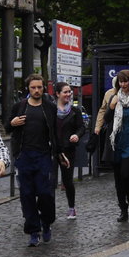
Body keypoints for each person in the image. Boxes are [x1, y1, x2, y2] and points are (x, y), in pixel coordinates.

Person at [6, 74, 59, 246]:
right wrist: (12, 123)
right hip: (24, 156)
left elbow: (55, 132)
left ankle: (46, 221)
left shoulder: (50, 107)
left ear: (44, 88)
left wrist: (59, 153)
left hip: (44, 155)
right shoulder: (19, 107)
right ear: (28, 89)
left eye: (39, 87)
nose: (36, 91)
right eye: (33, 88)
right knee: (27, 194)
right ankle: (33, 230)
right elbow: (7, 126)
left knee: (45, 193)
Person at [96, 69, 129, 221]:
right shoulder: (114, 97)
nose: (123, 84)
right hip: (115, 142)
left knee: (125, 175)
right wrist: (111, 107)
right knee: (118, 179)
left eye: (125, 81)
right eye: (121, 81)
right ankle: (123, 210)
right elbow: (106, 118)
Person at [54, 82, 86, 219]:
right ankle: (47, 209)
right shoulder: (50, 110)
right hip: (53, 149)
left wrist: (77, 135)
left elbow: (82, 128)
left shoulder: (75, 111)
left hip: (68, 150)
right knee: (49, 181)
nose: (68, 95)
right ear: (57, 94)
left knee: (67, 181)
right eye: (65, 92)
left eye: (69, 92)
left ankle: (71, 207)